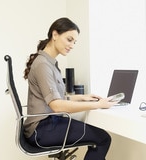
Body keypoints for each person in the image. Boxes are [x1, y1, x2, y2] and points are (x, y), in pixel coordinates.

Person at [23, 17, 118, 160]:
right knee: (103, 139)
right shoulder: (43, 64)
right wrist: (98, 104)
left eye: (74, 42)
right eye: (69, 39)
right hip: (41, 131)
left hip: (46, 126)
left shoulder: (49, 63)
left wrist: (82, 97)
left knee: (99, 137)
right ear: (55, 35)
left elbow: (55, 97)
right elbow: (56, 105)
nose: (72, 45)